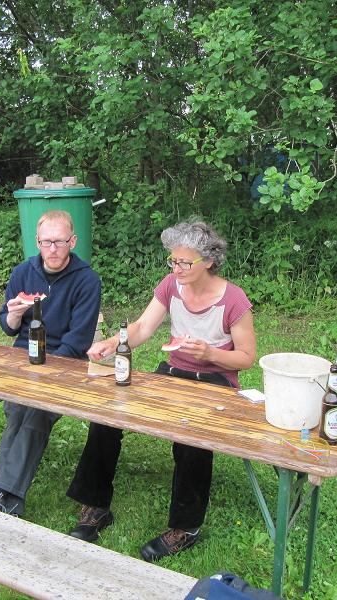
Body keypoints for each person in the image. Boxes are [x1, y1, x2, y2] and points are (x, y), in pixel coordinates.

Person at [66, 218, 256, 561]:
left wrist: (211, 354)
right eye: (173, 260)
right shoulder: (171, 285)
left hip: (216, 380)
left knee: (192, 438)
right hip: (173, 371)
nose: (177, 268)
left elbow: (246, 358)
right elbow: (142, 328)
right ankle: (95, 506)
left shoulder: (234, 300)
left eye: (185, 262)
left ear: (209, 261)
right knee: (107, 415)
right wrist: (113, 342)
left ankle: (186, 526)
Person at [0, 209, 101, 516]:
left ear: (72, 241)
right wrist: (15, 313)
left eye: (59, 242)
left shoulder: (86, 281)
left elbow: (79, 341)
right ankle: (10, 497)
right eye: (46, 242)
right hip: (22, 361)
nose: (52, 249)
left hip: (65, 364)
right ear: (37, 241)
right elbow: (7, 327)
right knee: (18, 408)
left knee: (35, 409)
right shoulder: (22, 272)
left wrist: (44, 375)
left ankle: (3, 493)